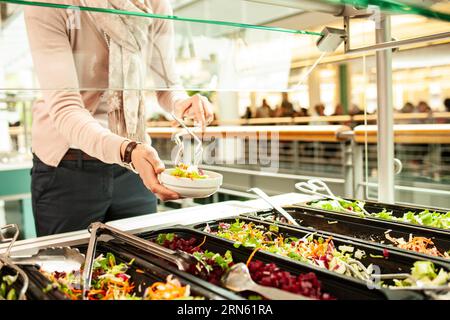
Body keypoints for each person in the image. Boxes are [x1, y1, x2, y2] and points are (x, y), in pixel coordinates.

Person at [25, 0, 213, 236]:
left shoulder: (154, 4)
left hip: (134, 163)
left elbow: (167, 86)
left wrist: (182, 103)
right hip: (67, 166)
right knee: (70, 268)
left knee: (143, 264)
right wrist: (127, 150)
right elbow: (65, 107)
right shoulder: (49, 2)